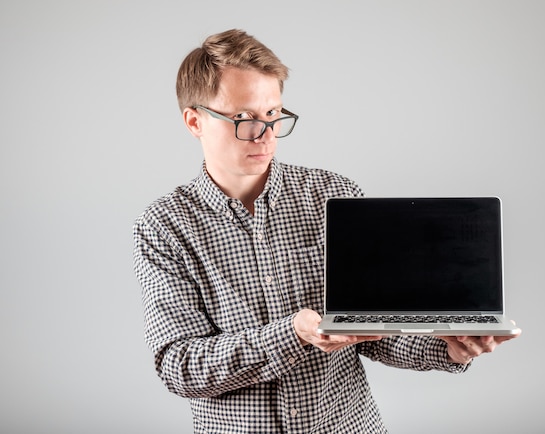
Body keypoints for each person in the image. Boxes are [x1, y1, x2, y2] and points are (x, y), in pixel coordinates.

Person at [133, 28, 519, 433]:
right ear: (194, 121)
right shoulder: (164, 226)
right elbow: (180, 367)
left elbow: (377, 330)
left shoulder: (335, 196)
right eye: (243, 118)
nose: (264, 135)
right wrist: (293, 335)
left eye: (273, 115)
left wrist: (451, 350)